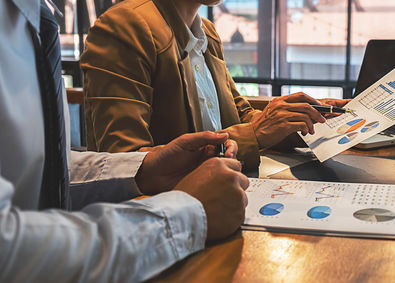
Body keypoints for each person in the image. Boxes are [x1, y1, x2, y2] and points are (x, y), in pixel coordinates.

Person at [0, 0, 248, 281]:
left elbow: (42, 171)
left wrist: (144, 168)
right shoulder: (127, 25)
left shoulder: (208, 33)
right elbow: (8, 252)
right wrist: (188, 213)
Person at [80, 0, 349, 169]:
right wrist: (255, 134)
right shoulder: (125, 26)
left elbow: (242, 116)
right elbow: (124, 163)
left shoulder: (206, 31)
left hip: (219, 198)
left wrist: (301, 119)